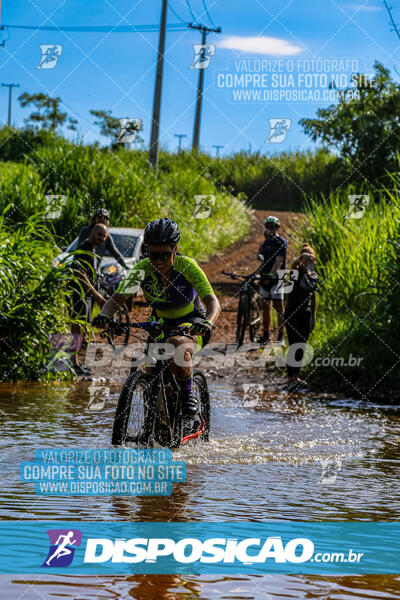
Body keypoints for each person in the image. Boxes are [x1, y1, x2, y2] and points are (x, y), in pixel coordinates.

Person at [93, 218, 221, 417]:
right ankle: (161, 412)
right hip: (161, 323)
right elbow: (116, 299)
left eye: (165, 255)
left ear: (175, 249)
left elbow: (213, 302)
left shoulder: (187, 266)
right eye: (153, 255)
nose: (159, 261)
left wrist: (207, 323)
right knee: (149, 365)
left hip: (193, 322)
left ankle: (187, 395)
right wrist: (103, 316)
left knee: (175, 344)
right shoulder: (143, 269)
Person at [70, 223, 108, 375]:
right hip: (78, 293)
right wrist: (97, 295)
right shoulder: (84, 248)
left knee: (82, 328)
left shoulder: (91, 249)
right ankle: (74, 363)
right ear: (92, 231)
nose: (101, 238)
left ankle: (77, 363)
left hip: (86, 295)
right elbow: (80, 274)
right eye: (99, 234)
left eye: (104, 236)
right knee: (77, 329)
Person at [284, 243, 318, 391]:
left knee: (302, 345)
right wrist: (300, 259)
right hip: (292, 313)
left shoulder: (313, 275)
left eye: (310, 259)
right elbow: (292, 268)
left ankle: (296, 376)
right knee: (293, 344)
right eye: (306, 259)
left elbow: (314, 297)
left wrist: (313, 317)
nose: (307, 262)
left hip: (306, 313)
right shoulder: (295, 272)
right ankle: (291, 377)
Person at [257, 215, 287, 344]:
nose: (269, 229)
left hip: (278, 278)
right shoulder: (265, 243)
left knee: (278, 306)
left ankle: (280, 335)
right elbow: (260, 257)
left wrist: (272, 274)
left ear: (277, 227)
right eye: (267, 226)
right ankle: (265, 334)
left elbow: (279, 261)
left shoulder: (281, 242)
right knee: (265, 306)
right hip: (264, 277)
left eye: (272, 226)